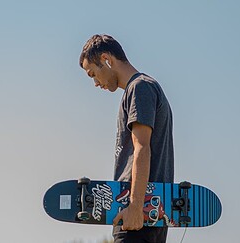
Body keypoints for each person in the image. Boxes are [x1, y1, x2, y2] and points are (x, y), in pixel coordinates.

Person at [79, 34, 174, 243]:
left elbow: (142, 147)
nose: (95, 82)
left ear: (106, 59)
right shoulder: (144, 88)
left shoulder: (139, 87)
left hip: (136, 217)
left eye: (92, 74)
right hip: (149, 217)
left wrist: (135, 205)